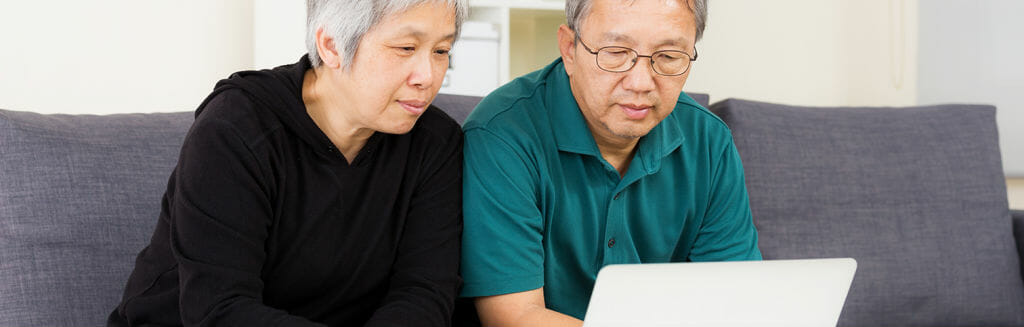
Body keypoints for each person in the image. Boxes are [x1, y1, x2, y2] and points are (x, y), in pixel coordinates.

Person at [107, 0, 467, 326]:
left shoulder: (435, 144)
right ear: (331, 46)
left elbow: (423, 292)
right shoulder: (236, 130)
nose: (429, 76)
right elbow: (219, 308)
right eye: (406, 48)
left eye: (441, 50)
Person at [457, 0, 761, 325]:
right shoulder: (503, 135)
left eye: (669, 57)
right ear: (570, 48)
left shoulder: (709, 142)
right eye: (616, 53)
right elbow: (514, 317)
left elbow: (737, 300)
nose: (641, 83)